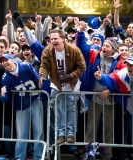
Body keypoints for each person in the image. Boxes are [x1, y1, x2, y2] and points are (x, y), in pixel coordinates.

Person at [77, 21, 125, 159]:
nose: (104, 47)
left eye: (107, 46)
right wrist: (80, 33)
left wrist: (111, 91)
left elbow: (118, 79)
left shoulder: (119, 62)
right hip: (95, 97)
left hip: (109, 99)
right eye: (103, 45)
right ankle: (90, 153)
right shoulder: (94, 54)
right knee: (91, 128)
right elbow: (82, 47)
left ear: (114, 49)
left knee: (108, 129)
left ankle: (108, 155)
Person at [38, 29, 86, 149]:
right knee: (58, 109)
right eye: (51, 39)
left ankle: (70, 133)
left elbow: (82, 67)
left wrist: (70, 76)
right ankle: (60, 133)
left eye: (55, 38)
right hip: (56, 83)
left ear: (63, 39)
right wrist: (42, 76)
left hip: (72, 84)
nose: (53, 41)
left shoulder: (73, 50)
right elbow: (44, 65)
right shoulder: (48, 51)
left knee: (71, 108)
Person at [0, 53, 44, 160]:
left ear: (13, 60)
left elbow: (38, 81)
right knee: (21, 133)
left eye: (6, 60)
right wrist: (3, 94)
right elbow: (4, 99)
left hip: (35, 100)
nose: (4, 63)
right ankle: (19, 157)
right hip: (20, 106)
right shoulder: (5, 77)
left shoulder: (26, 66)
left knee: (38, 131)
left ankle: (38, 157)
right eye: (2, 61)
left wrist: (42, 88)